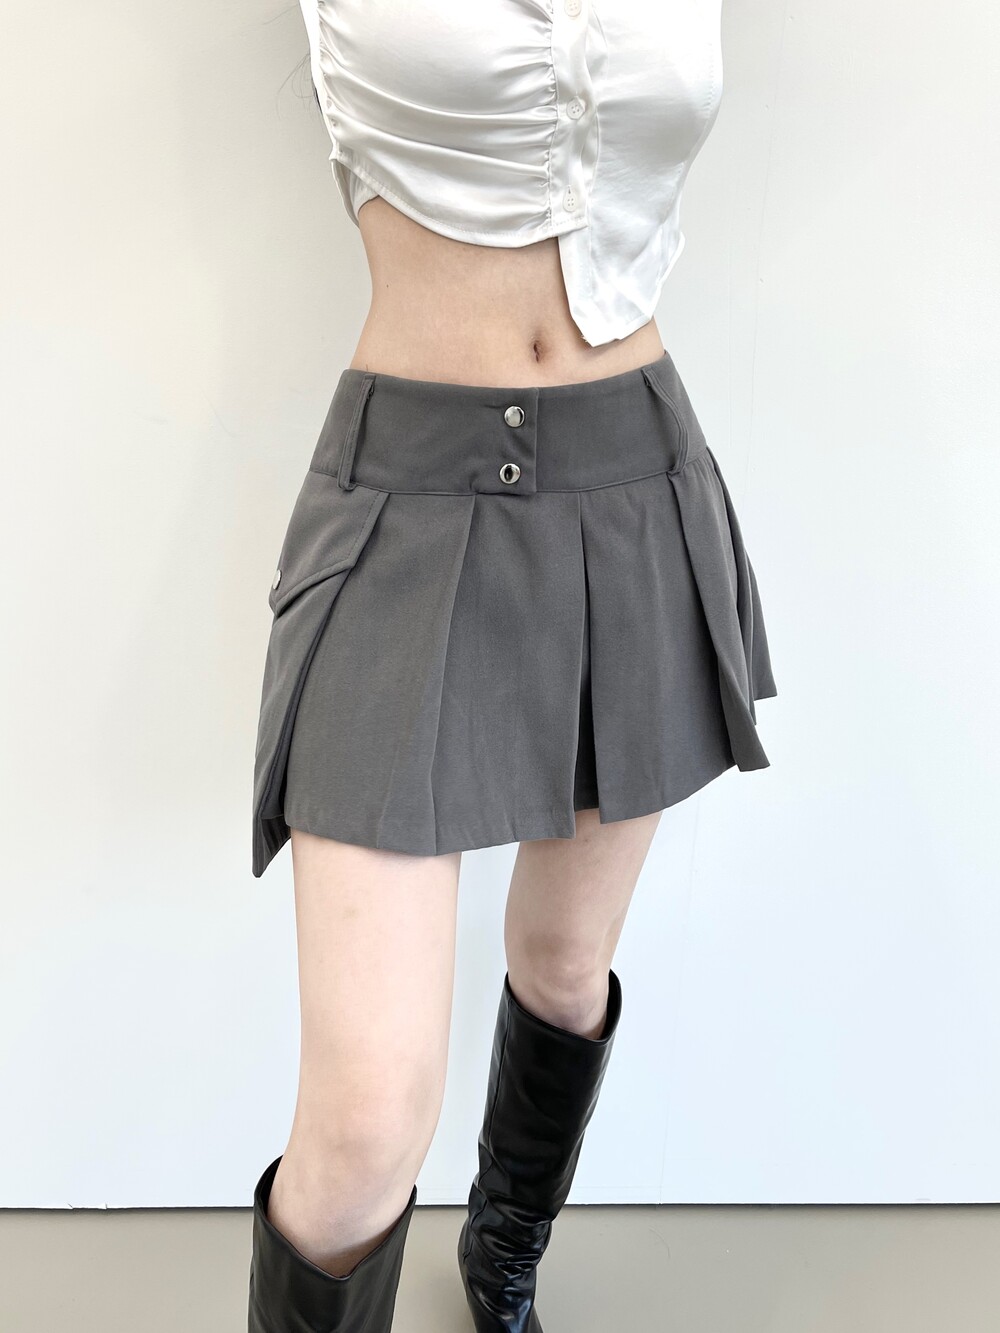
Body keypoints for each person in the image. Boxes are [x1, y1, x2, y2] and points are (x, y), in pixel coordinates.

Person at [246, 2, 778, 1330]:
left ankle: (503, 1257)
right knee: (366, 1120)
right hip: (407, 501)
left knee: (562, 964)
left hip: (631, 485)